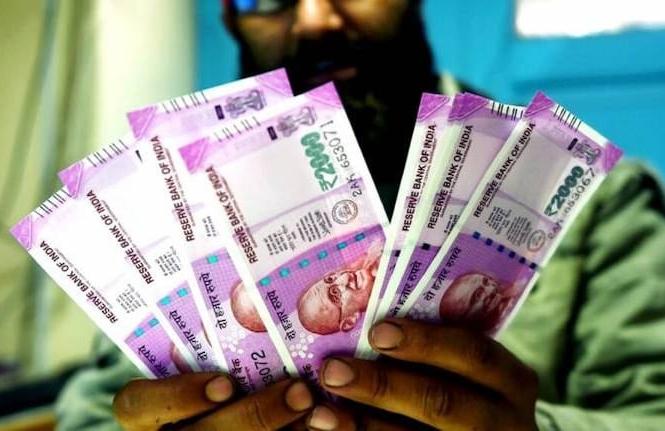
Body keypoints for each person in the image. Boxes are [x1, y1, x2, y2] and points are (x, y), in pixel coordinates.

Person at [57, 1, 665, 430]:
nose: (315, 19)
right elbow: (97, 411)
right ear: (229, 17)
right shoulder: (182, 221)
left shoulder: (595, 203)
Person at [298, 240, 380, 335]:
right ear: (349, 321)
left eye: (330, 279)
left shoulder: (374, 252)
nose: (345, 276)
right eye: (336, 295)